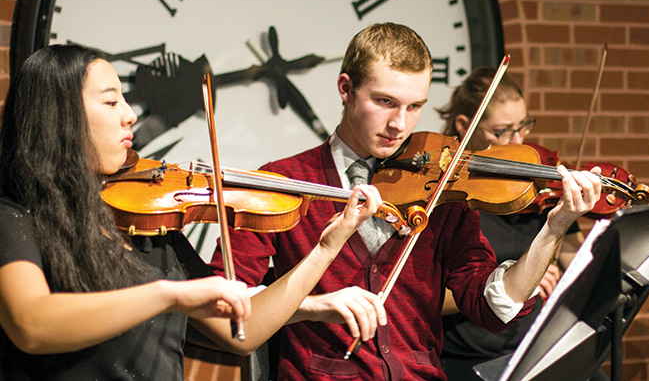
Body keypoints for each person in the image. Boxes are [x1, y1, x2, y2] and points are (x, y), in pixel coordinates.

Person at [210, 23, 602, 380]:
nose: (400, 124)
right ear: (345, 89)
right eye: (385, 102)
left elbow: (494, 307)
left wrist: (554, 228)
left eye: (415, 106)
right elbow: (224, 308)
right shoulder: (282, 181)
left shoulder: (443, 188)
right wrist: (314, 305)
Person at [0, 44, 381, 380]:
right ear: (59, 115)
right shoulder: (14, 215)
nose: (130, 115)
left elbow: (241, 332)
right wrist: (168, 295)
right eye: (111, 101)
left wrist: (326, 248)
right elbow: (31, 323)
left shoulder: (149, 223)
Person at [436, 66, 649, 380]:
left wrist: (643, 228)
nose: (519, 140)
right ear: (465, 125)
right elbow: (430, 296)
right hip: (471, 357)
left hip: (532, 346)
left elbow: (582, 269)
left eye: (523, 126)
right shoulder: (450, 196)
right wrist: (519, 278)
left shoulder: (538, 189)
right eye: (502, 131)